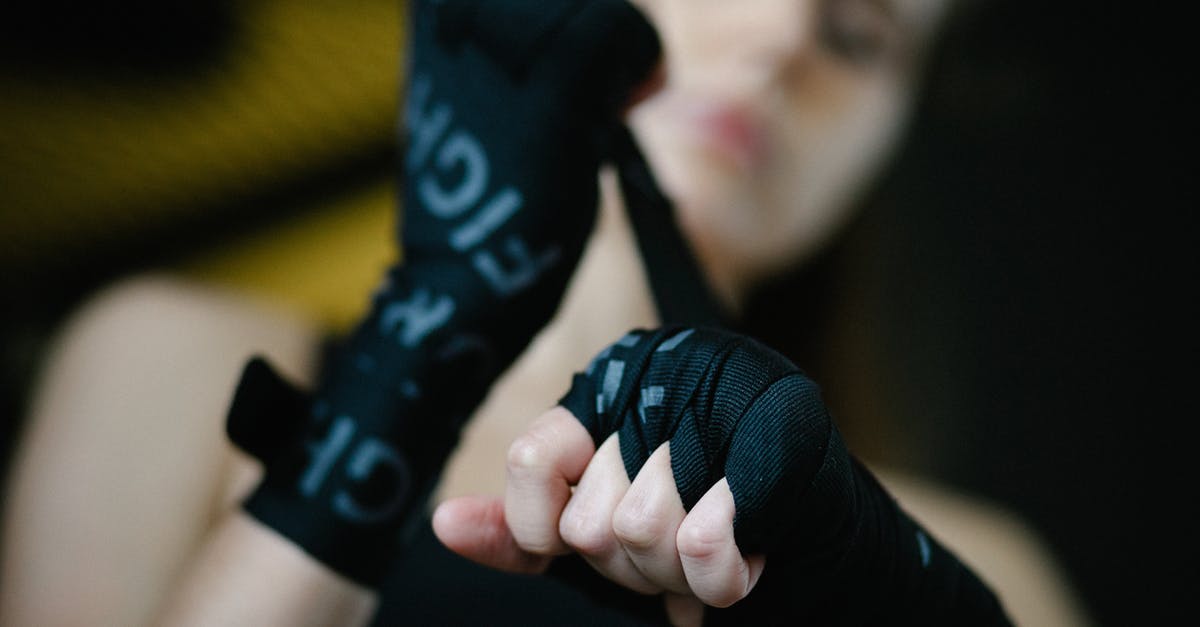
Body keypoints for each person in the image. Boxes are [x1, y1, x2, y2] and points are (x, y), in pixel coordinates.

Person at [0, 1, 1087, 625]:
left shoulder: (985, 562)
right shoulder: (169, 363)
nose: (779, 46)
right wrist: (425, 336)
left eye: (857, 34)